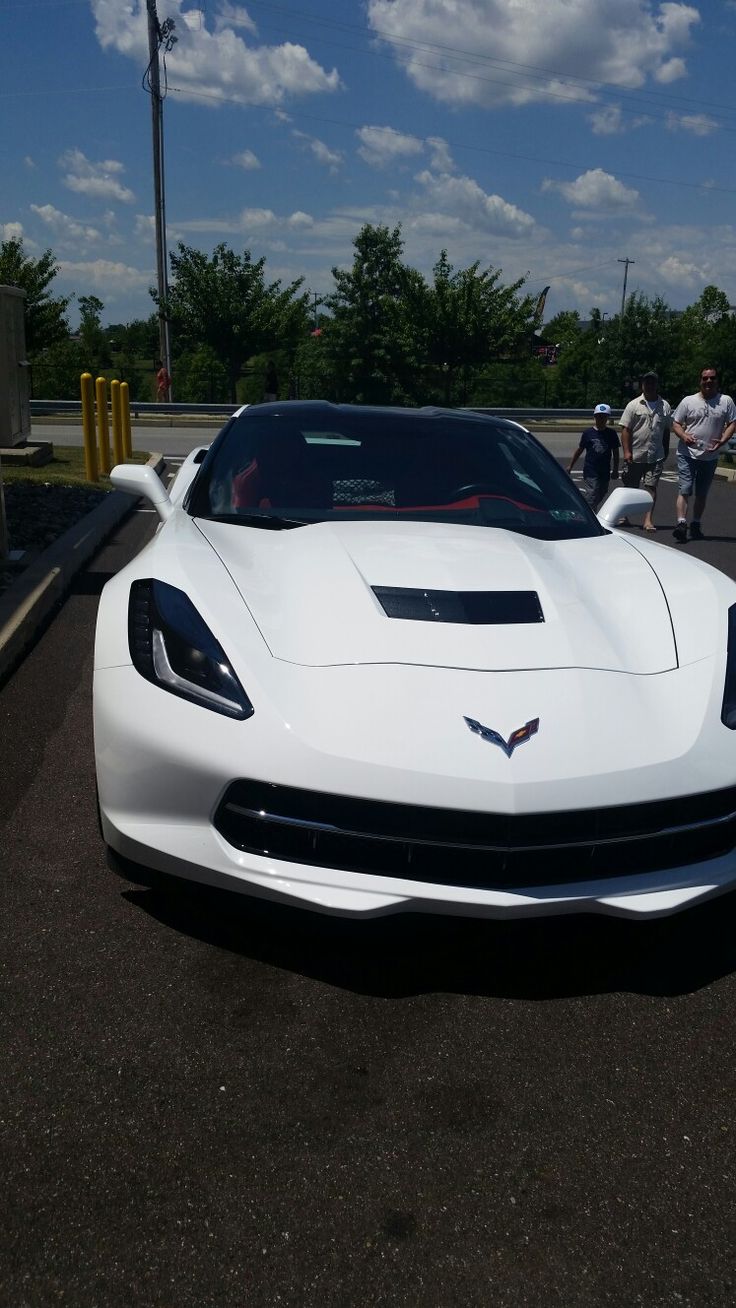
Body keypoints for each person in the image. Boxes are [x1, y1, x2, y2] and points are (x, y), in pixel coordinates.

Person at [671, 367, 736, 541]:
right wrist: (684, 436)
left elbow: (732, 423)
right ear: (700, 380)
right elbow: (676, 423)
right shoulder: (688, 401)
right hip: (687, 453)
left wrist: (722, 441)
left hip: (710, 455)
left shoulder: (726, 401)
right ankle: (681, 523)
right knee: (684, 488)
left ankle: (696, 523)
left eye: (712, 378)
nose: (708, 381)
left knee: (701, 493)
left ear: (717, 381)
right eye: (705, 378)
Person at [619, 371, 671, 532]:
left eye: (652, 382)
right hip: (635, 454)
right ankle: (625, 516)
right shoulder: (634, 405)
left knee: (651, 487)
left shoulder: (665, 406)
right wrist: (627, 452)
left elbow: (666, 431)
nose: (649, 385)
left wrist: (666, 451)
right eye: (647, 382)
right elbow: (626, 430)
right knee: (630, 487)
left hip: (656, 455)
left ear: (657, 385)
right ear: (643, 385)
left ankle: (648, 520)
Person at [567, 403, 619, 511]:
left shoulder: (611, 433)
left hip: (604, 469)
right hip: (591, 469)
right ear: (594, 417)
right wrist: (570, 465)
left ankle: (589, 509)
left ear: (607, 418)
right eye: (599, 416)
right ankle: (589, 514)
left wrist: (615, 469)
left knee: (602, 491)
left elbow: (616, 452)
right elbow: (580, 450)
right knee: (592, 491)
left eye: (604, 417)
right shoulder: (588, 433)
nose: (601, 419)